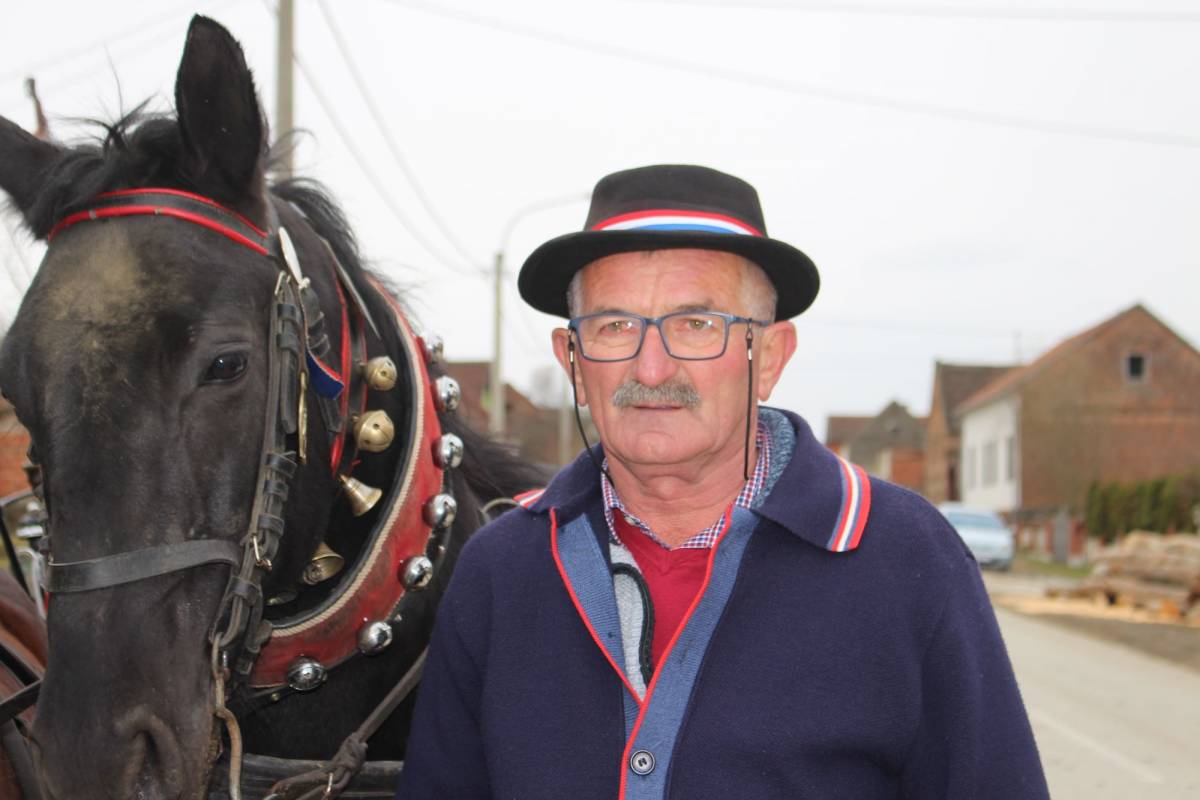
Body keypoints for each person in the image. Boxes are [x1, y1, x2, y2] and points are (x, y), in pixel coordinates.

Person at [397, 164, 1049, 799]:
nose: (651, 368)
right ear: (572, 361)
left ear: (769, 357)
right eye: (614, 325)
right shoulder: (500, 572)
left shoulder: (907, 560)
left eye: (696, 324)